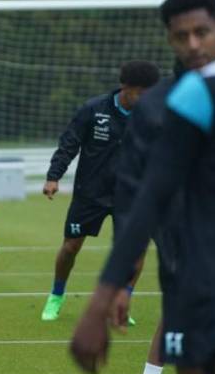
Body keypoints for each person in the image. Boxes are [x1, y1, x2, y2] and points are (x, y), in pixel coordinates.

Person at [72, 0, 215, 374]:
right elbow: (138, 198)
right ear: (169, 40)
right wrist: (121, 283)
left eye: (202, 32)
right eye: (182, 36)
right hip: (186, 272)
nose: (193, 44)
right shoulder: (158, 108)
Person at [40, 60, 161, 322]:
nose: (146, 99)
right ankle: (56, 295)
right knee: (71, 247)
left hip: (132, 194)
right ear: (124, 86)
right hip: (90, 192)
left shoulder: (154, 115)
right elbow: (69, 143)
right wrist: (53, 176)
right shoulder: (93, 109)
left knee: (136, 250)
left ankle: (122, 301)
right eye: (141, 92)